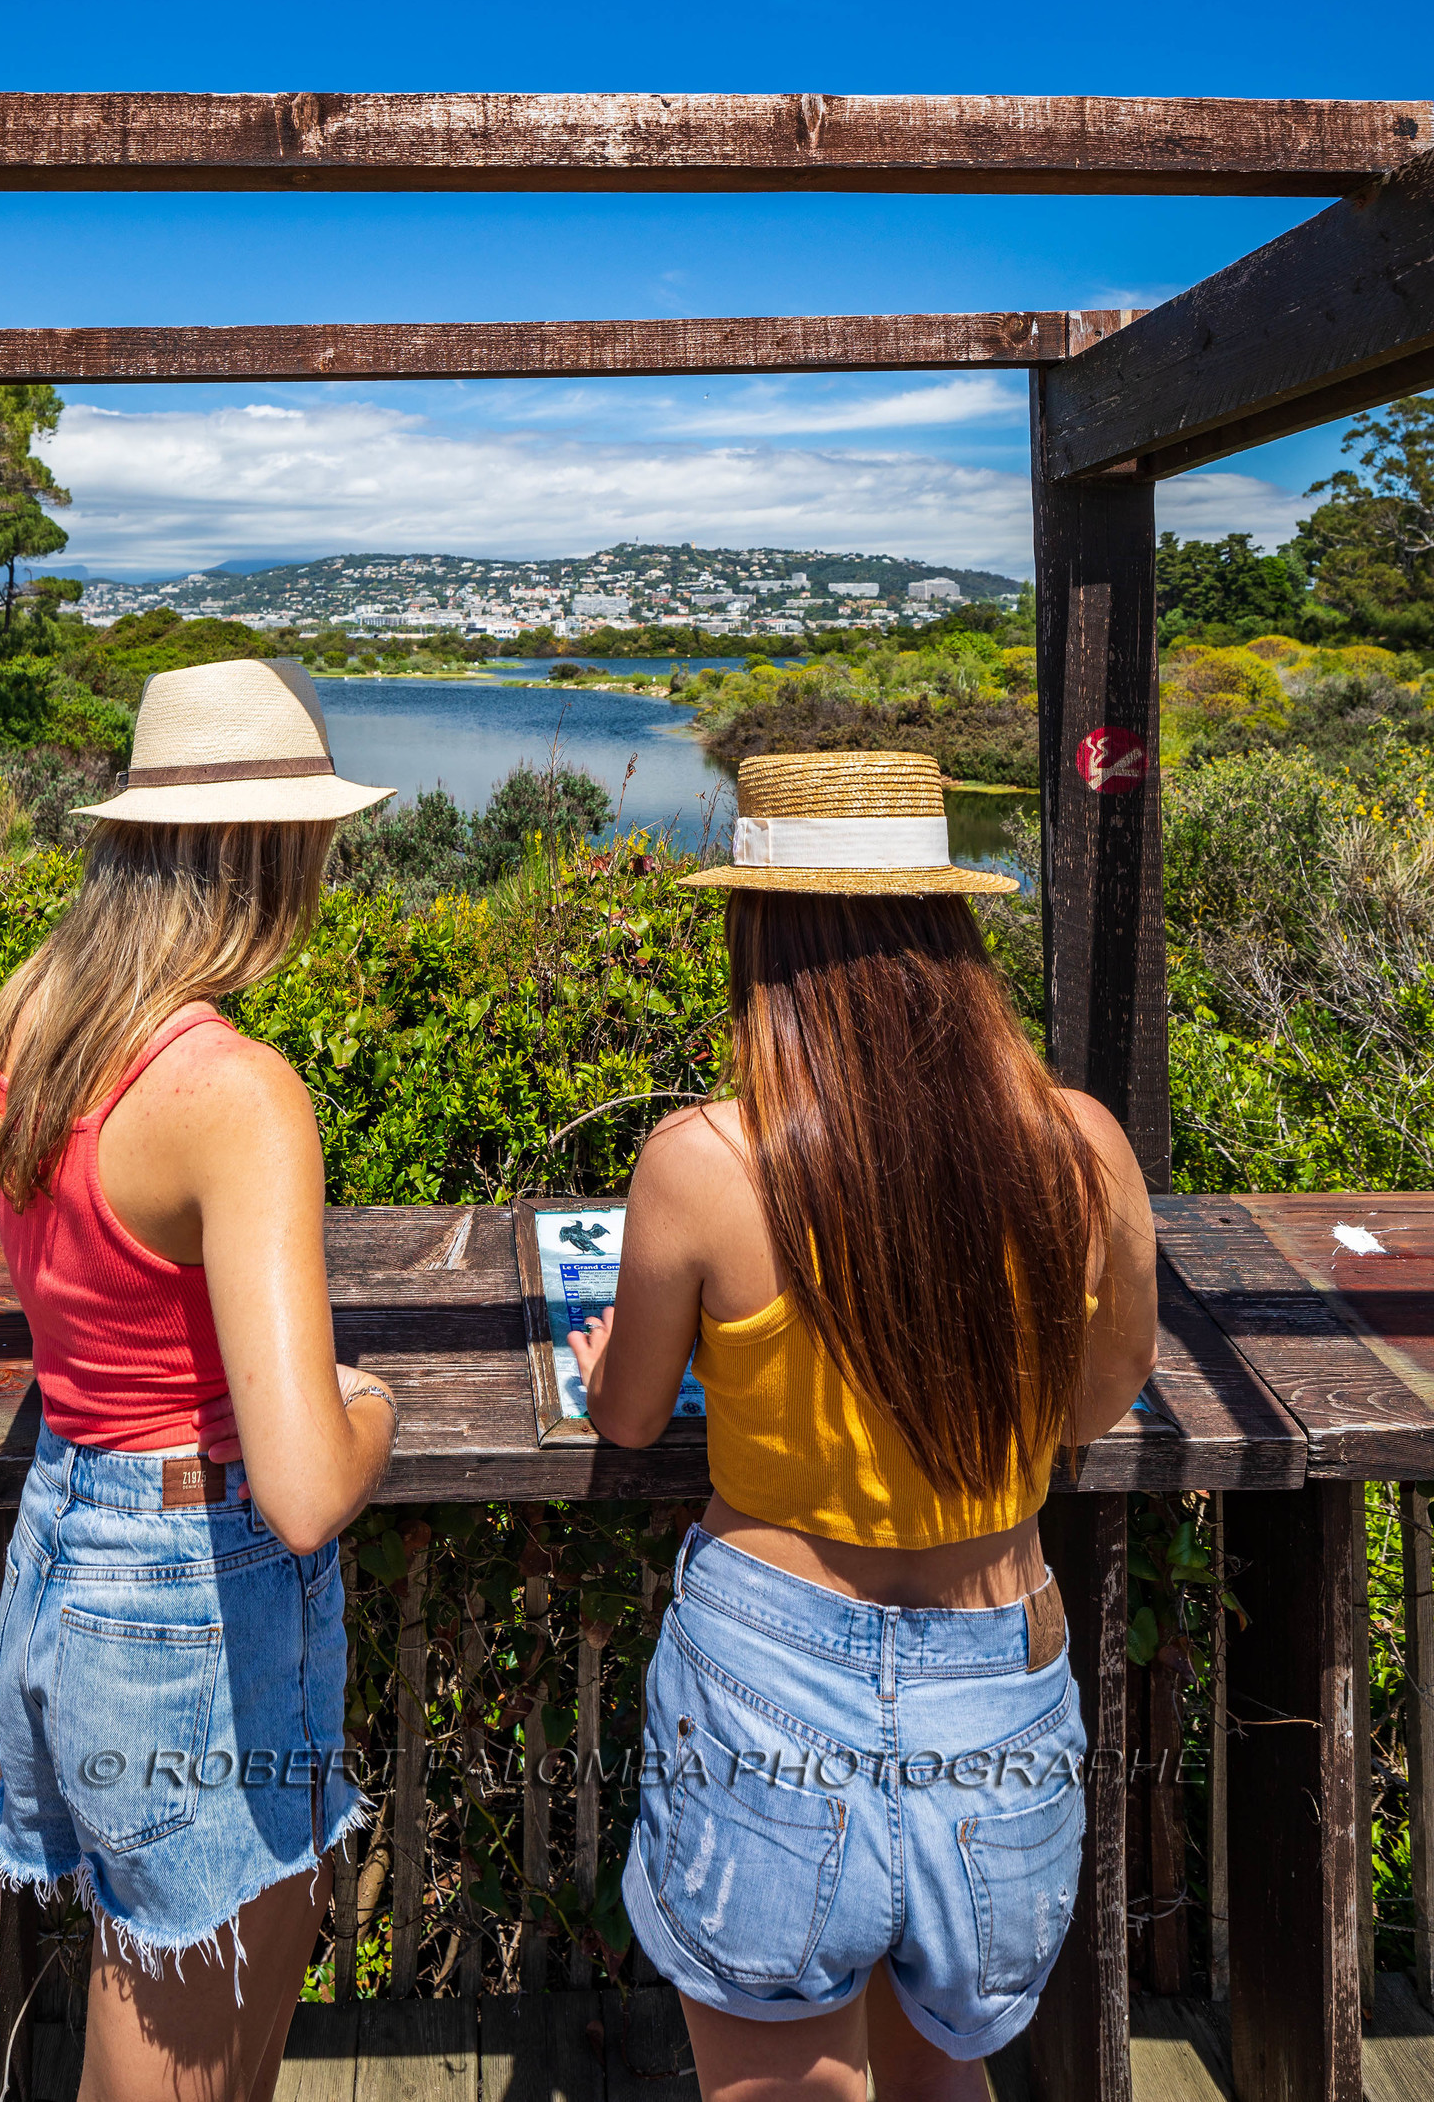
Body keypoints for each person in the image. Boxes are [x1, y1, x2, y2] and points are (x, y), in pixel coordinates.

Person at [567, 752, 1158, 2102]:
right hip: (998, 1666)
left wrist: (613, 1357)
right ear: (951, 927)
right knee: (944, 2075)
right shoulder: (1080, 1147)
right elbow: (1103, 1387)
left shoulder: (707, 1161)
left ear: (758, 929)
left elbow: (634, 1410)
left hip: (768, 1672)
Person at [0, 659, 401, 2102]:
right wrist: (371, 1407)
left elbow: (109, 1308)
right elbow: (300, 1493)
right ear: (276, 857)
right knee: (183, 2064)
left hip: (65, 1549)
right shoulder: (234, 1091)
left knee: (149, 2010)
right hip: (186, 1599)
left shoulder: (28, 1016)